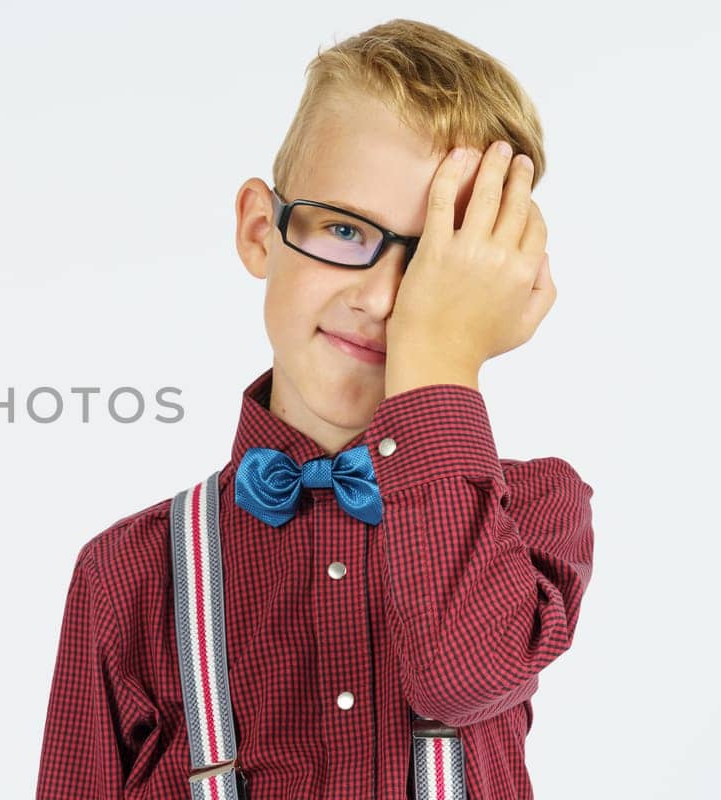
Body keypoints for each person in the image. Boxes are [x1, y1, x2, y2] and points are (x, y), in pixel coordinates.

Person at [35, 18, 595, 800]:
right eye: (343, 229)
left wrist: (438, 359)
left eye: (435, 263)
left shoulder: (532, 511)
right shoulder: (126, 574)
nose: (380, 299)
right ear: (261, 231)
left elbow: (459, 677)